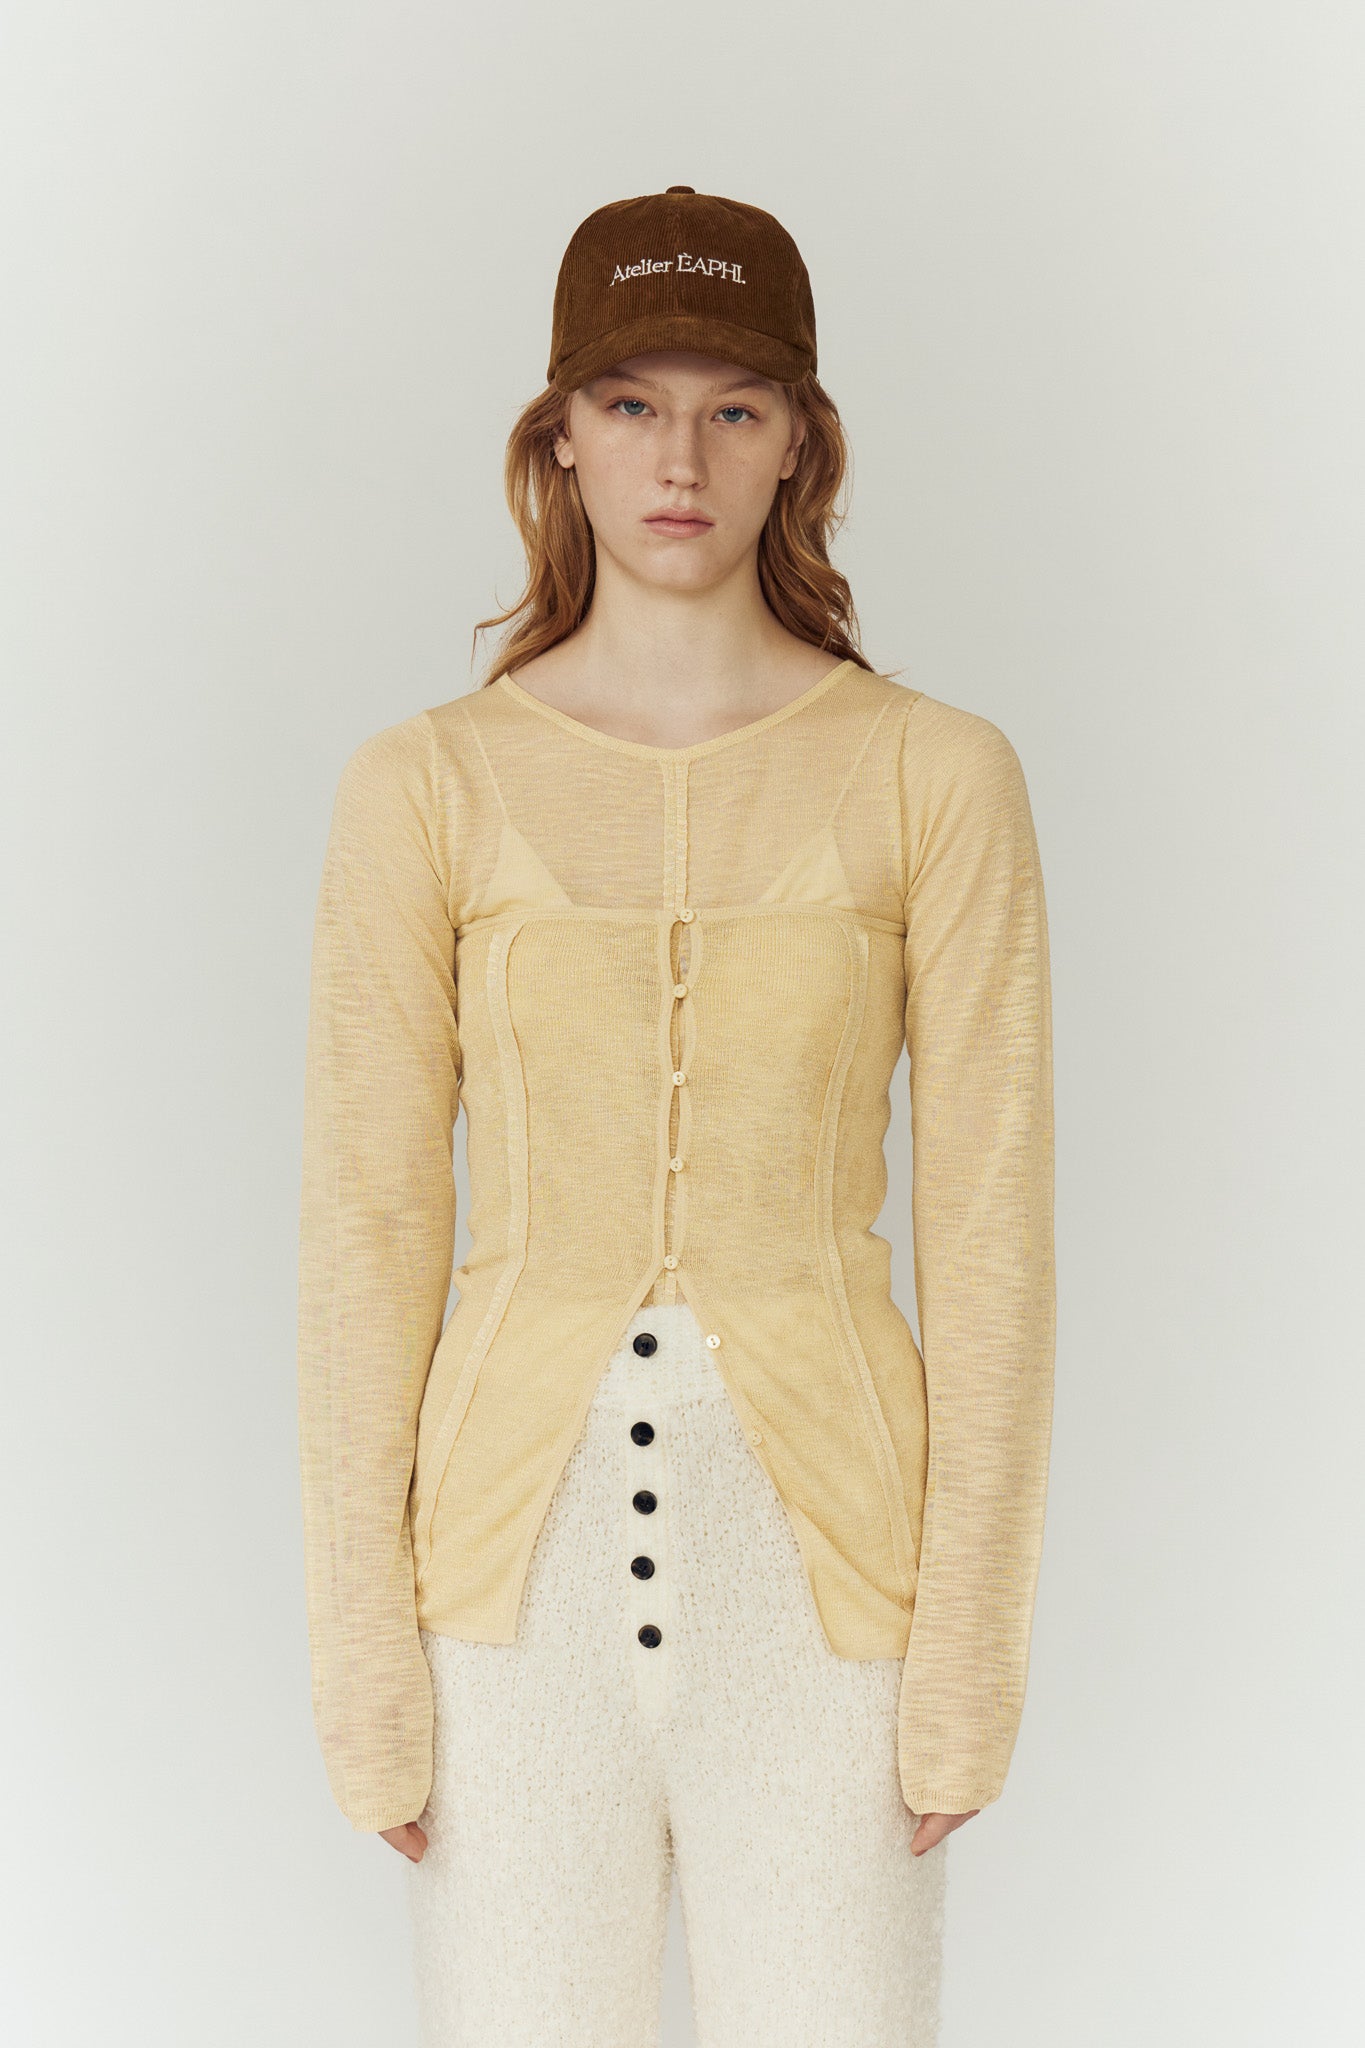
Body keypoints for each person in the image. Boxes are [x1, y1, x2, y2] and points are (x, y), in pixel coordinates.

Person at [296, 184, 1056, 2047]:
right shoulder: (423, 789)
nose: (680, 458)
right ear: (558, 437)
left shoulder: (934, 776)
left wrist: (966, 1654)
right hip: (503, 1602)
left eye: (733, 406)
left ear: (800, 443)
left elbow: (988, 1231)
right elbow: (367, 1232)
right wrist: (364, 1657)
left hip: (829, 1602)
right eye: (630, 402)